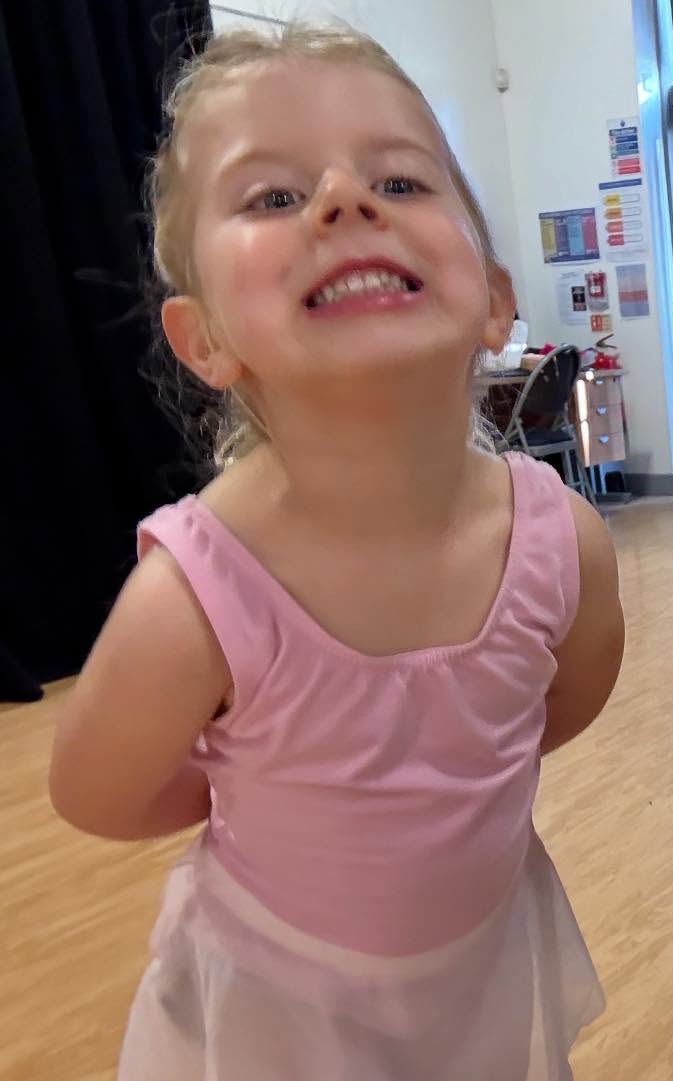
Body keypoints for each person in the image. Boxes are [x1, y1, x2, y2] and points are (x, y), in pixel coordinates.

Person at [47, 25, 624, 1080]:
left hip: (483, 973)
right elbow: (97, 790)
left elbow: (562, 702)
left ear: (495, 296)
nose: (345, 202)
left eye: (401, 179)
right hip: (273, 1008)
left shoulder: (561, 541)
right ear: (204, 337)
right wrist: (250, 786)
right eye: (273, 196)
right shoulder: (195, 594)